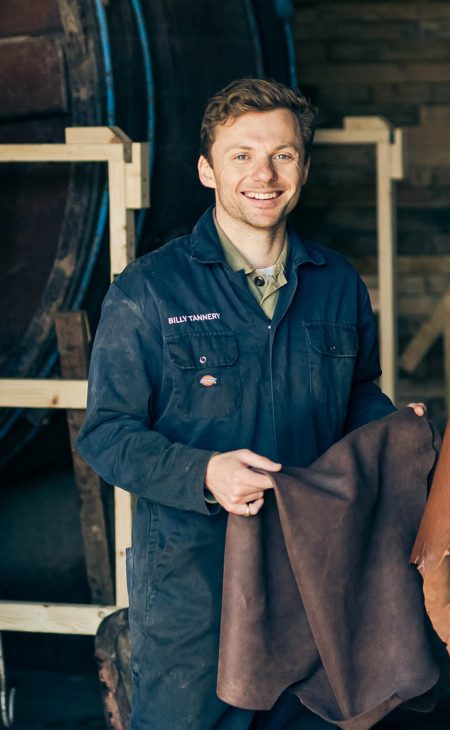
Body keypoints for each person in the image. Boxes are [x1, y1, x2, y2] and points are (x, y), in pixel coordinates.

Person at [77, 78, 406, 729]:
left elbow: (359, 396)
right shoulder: (148, 292)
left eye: (283, 155)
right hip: (196, 597)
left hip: (314, 583)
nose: (264, 174)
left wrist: (398, 436)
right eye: (241, 155)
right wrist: (203, 473)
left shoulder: (335, 283)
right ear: (207, 169)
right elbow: (106, 434)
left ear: (304, 168)